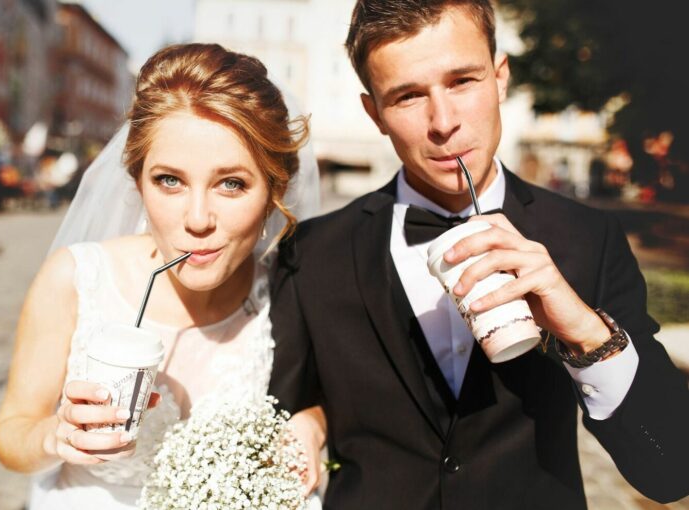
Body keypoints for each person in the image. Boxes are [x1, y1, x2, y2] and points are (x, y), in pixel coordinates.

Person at [268, 1, 689, 508]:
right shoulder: (311, 252)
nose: (443, 122)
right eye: (406, 97)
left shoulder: (588, 236)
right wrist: (308, 427)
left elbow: (671, 471)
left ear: (500, 77)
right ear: (373, 113)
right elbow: (286, 409)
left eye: (463, 81)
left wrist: (582, 330)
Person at [0, 43, 325, 509]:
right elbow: (11, 436)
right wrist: (57, 436)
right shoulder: (76, 279)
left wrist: (312, 422)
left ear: (274, 189)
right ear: (137, 180)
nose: (197, 219)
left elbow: (332, 397)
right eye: (170, 180)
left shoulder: (292, 288)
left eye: (231, 183)